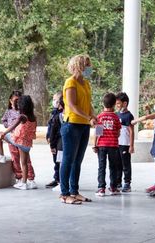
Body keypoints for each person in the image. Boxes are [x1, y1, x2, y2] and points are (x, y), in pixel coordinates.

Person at [60, 54, 97, 205]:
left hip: (84, 125)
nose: (90, 68)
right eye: (87, 65)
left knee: (78, 160)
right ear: (80, 66)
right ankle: (64, 194)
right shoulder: (70, 83)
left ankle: (74, 191)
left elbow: (88, 105)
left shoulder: (86, 84)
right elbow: (73, 106)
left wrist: (94, 115)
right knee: (68, 160)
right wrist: (89, 117)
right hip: (72, 125)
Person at [0, 96, 37, 190]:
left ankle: (1, 156)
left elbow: (12, 126)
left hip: (18, 141)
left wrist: (3, 134)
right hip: (27, 144)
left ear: (22, 105)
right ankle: (24, 183)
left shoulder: (22, 117)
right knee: (24, 163)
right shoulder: (33, 117)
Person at [93, 93, 122, 197]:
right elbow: (118, 133)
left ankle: (101, 188)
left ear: (103, 104)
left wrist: (95, 145)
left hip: (101, 145)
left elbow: (98, 132)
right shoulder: (116, 117)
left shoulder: (100, 117)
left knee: (101, 166)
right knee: (113, 167)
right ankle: (113, 187)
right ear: (114, 104)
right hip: (113, 146)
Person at [115, 92, 135, 193]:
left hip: (125, 144)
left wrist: (131, 145)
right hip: (117, 144)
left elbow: (131, 131)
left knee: (125, 164)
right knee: (117, 163)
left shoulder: (129, 116)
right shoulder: (117, 114)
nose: (117, 105)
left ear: (125, 103)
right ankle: (118, 182)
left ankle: (127, 183)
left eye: (118, 103)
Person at [46, 95, 64, 189]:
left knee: (59, 161)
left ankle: (60, 180)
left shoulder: (61, 115)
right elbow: (50, 127)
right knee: (55, 161)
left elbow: (55, 129)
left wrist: (53, 143)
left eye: (55, 100)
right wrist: (48, 136)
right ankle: (57, 178)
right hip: (53, 140)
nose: (54, 102)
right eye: (53, 100)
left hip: (58, 141)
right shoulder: (53, 113)